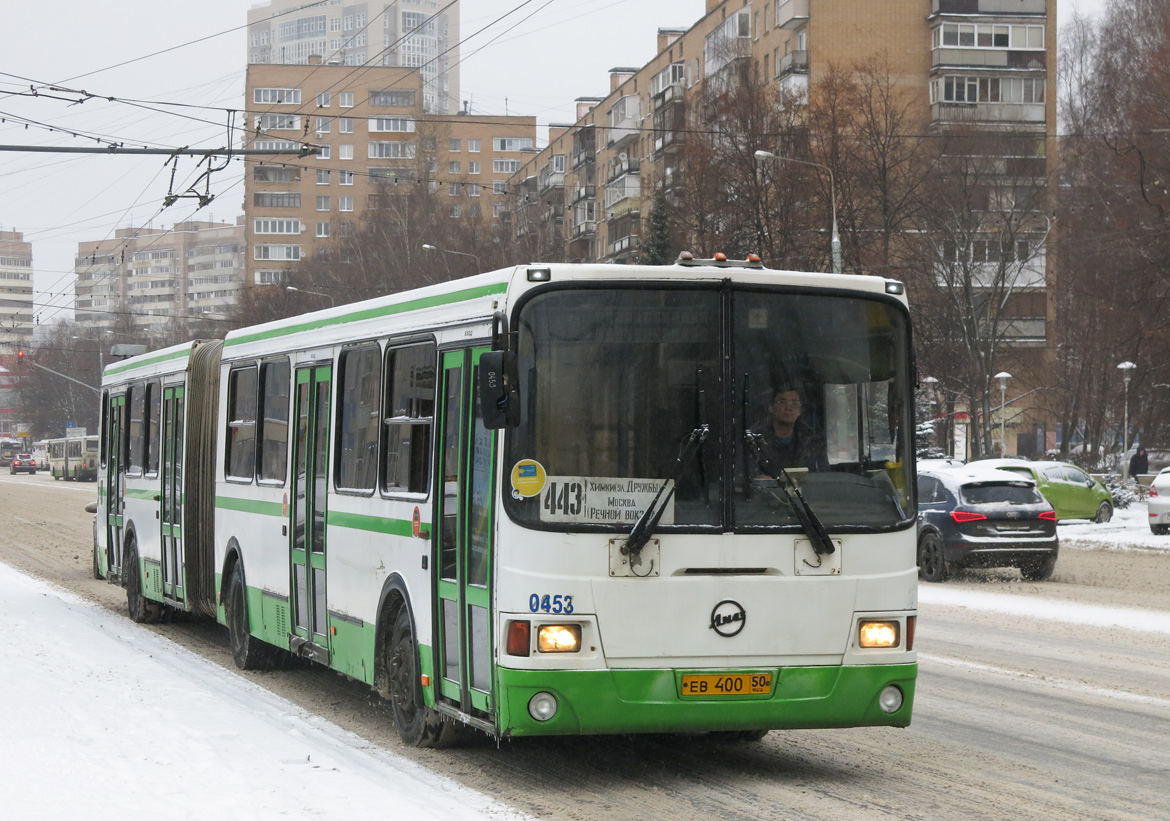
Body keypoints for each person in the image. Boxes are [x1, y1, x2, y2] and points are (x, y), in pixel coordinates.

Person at [750, 386, 830, 474]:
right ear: (771, 408)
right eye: (782, 402)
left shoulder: (813, 442)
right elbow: (744, 475)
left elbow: (823, 476)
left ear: (800, 411)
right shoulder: (754, 441)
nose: (788, 408)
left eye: (794, 403)